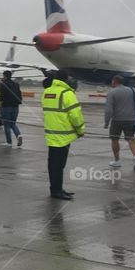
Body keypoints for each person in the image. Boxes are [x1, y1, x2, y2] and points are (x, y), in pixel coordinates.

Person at [41, 70, 85, 200]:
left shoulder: (47, 92)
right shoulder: (67, 93)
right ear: (66, 79)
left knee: (53, 165)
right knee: (59, 165)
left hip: (51, 134)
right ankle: (56, 191)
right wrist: (80, 130)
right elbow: (75, 115)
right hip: (64, 136)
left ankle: (56, 188)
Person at [105, 75, 135, 171]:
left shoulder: (112, 92)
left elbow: (109, 110)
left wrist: (106, 122)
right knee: (131, 139)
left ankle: (117, 161)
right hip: (130, 119)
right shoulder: (131, 91)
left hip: (117, 120)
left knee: (115, 139)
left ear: (114, 81)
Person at [0, 70, 23, 147]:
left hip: (6, 107)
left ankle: (9, 142)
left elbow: (2, 97)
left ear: (4, 76)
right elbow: (19, 95)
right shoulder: (16, 84)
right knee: (13, 123)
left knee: (7, 125)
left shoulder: (3, 84)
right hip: (15, 107)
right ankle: (18, 135)